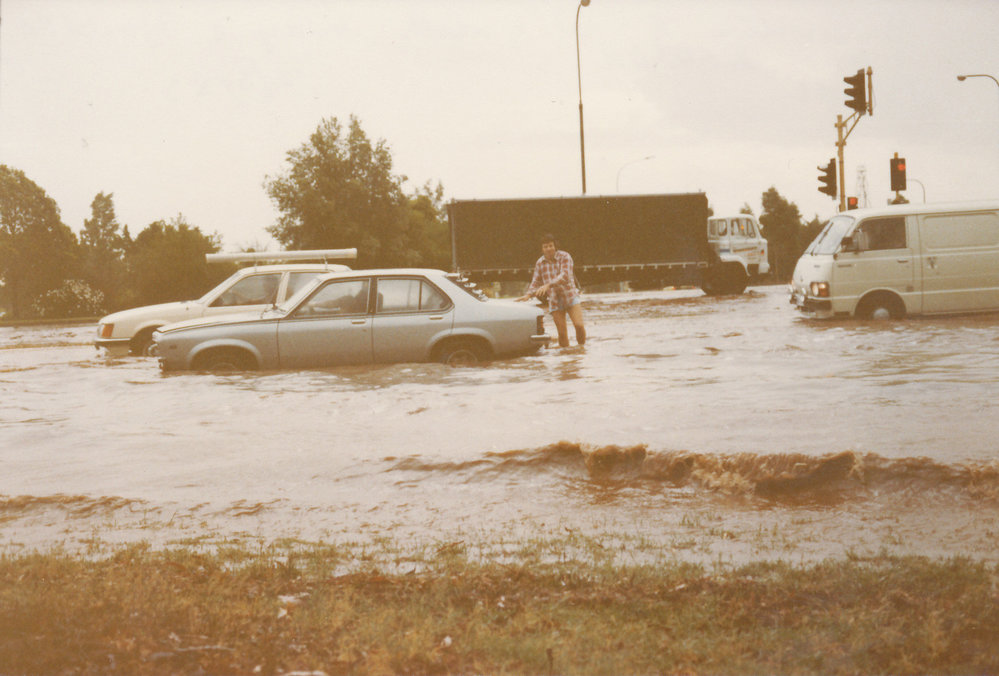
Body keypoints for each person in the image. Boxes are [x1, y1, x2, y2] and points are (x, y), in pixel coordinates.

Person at [517, 234, 586, 348]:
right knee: (562, 334)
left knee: (579, 325)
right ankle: (566, 358)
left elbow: (566, 276)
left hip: (570, 296)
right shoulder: (540, 263)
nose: (548, 249)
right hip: (554, 299)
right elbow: (536, 280)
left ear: (555, 246)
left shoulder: (565, 256)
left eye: (550, 246)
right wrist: (528, 295)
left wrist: (549, 284)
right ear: (542, 249)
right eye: (545, 247)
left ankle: (581, 349)